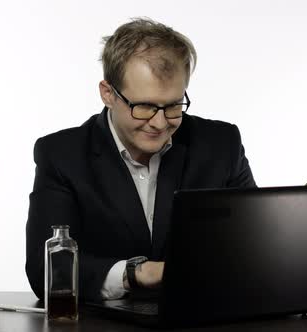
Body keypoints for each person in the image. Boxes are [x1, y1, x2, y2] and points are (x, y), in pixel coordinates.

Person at [25, 17, 256, 302]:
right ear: (108, 93)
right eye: (144, 106)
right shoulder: (61, 155)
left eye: (173, 106)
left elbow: (253, 247)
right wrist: (137, 273)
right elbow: (44, 270)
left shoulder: (221, 144)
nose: (159, 123)